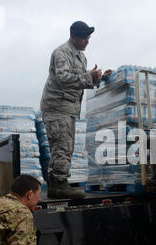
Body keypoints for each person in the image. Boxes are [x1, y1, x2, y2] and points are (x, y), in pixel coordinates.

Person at [40, 20, 112, 199]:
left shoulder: (80, 56)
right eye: (85, 38)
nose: (87, 41)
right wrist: (89, 76)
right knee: (62, 146)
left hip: (68, 108)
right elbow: (63, 77)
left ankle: (59, 183)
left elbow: (79, 78)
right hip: (57, 107)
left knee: (66, 145)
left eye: (88, 37)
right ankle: (58, 185)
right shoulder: (62, 53)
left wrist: (98, 78)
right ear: (74, 37)